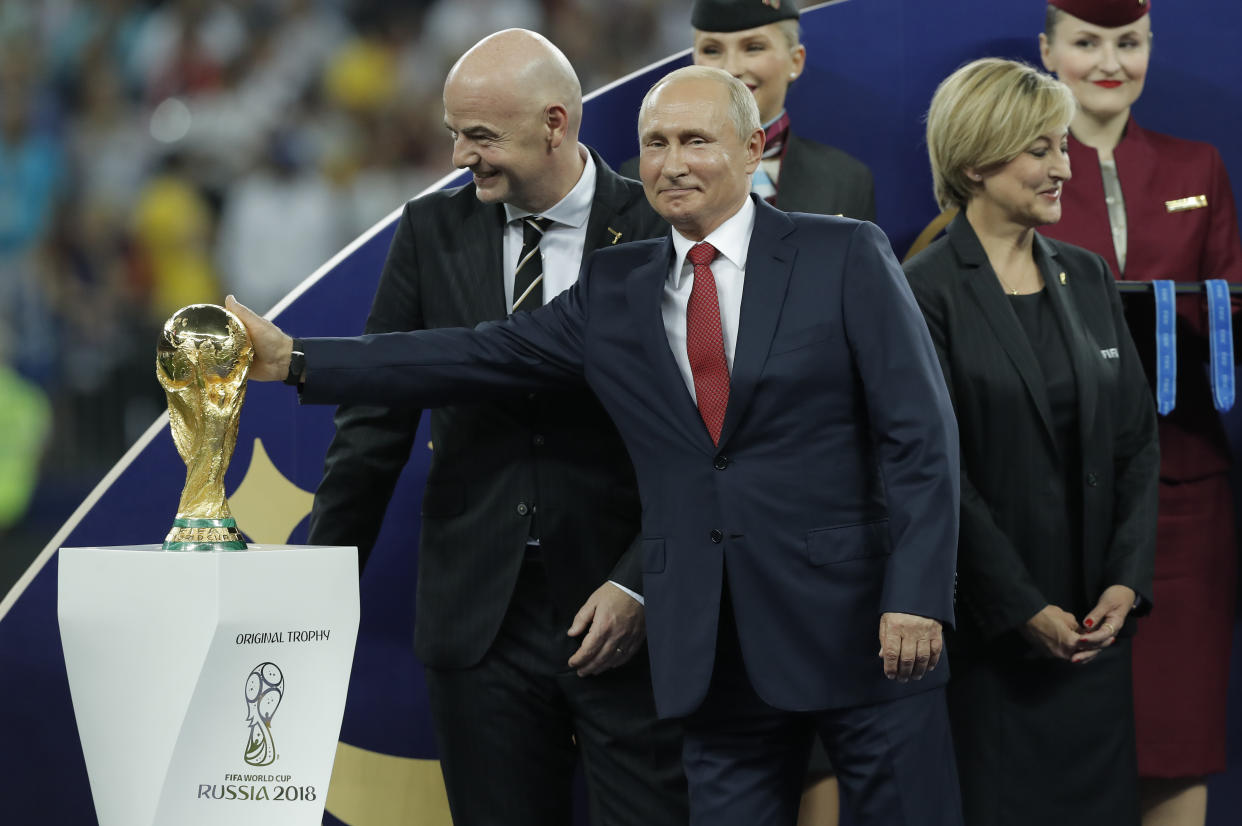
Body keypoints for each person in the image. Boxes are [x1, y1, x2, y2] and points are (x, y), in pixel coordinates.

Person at [229, 65, 963, 826]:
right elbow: (476, 353)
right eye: (655, 143)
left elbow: (920, 436)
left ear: (751, 151)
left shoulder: (842, 253)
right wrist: (295, 361)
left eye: (695, 141)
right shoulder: (619, 285)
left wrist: (914, 595)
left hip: (861, 632)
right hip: (710, 653)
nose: (672, 162)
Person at [303, 29, 687, 826]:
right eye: (453, 132)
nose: (457, 156)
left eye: (479, 136)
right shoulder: (429, 230)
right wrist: (318, 588)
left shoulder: (657, 229)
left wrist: (641, 580)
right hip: (479, 620)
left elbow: (703, 437)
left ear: (555, 124)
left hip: (631, 615)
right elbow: (375, 426)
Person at [903, 58, 1160, 826]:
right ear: (978, 160)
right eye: (1041, 150)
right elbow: (938, 473)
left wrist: (1125, 583)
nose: (1062, 167)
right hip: (995, 647)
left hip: (1094, 638)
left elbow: (1138, 446)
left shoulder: (1086, 277)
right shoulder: (923, 291)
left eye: (1063, 146)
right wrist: (1021, 606)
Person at [1036, 3, 1242, 823]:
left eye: (1128, 43)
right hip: (1057, 482)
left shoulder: (1200, 165)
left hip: (1184, 483)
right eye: (1087, 42)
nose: (1108, 61)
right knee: (1057, 729)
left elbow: (1228, 298)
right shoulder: (1027, 165)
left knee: (1177, 728)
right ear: (1048, 50)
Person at [619, 0, 874, 221]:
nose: (731, 68)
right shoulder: (639, 180)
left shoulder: (845, 180)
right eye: (712, 50)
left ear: (795, 60)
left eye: (753, 47)